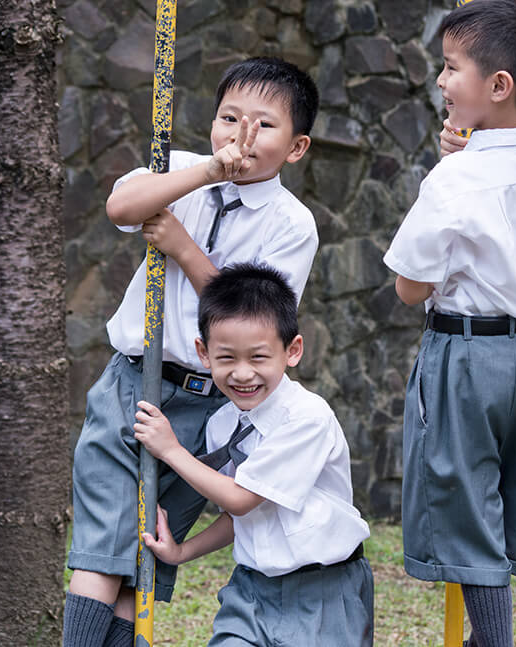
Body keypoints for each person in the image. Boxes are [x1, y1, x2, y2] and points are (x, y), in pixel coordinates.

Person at [64, 57, 321, 646]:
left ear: (297, 146)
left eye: (263, 125)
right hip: (136, 383)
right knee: (103, 549)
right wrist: (205, 171)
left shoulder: (292, 224)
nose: (241, 135)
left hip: (209, 406)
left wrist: (180, 246)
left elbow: (248, 322)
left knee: (142, 560)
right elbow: (121, 209)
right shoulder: (178, 170)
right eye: (229, 118)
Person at [382, 2, 516, 645]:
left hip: (465, 355)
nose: (440, 81)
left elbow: (410, 287)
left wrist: (450, 167)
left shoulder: (457, 180)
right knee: (502, 497)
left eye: (450, 67)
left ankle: (491, 641)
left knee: (465, 506)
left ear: (498, 86)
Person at [134, 263, 373, 646]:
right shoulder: (222, 424)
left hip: (323, 591)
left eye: (258, 357)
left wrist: (171, 450)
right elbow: (240, 517)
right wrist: (181, 552)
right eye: (227, 358)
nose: (243, 374)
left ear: (292, 350)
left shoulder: (306, 418)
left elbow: (242, 499)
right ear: (204, 353)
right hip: (251, 591)